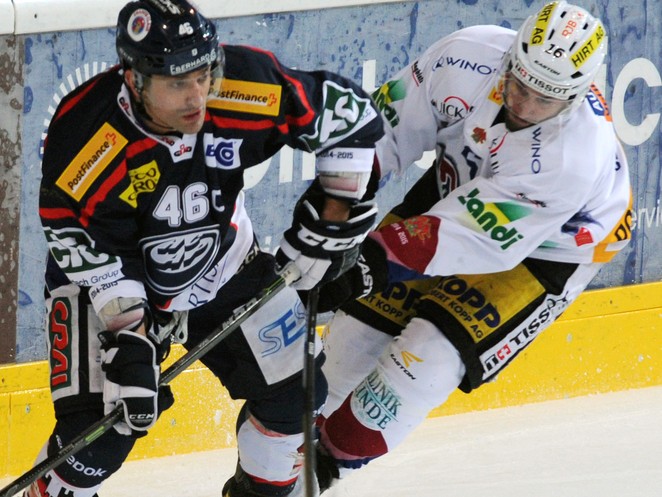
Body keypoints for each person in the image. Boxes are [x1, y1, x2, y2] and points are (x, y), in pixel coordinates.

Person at [30, 0, 383, 496]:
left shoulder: (244, 86)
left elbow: (351, 119)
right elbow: (73, 235)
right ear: (134, 80)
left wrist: (333, 217)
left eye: (204, 75)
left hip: (220, 263)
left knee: (296, 399)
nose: (198, 96)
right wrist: (129, 334)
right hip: (107, 281)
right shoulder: (88, 134)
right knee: (93, 441)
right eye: (177, 83)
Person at [309, 1, 633, 493]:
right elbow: (381, 130)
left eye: (544, 99)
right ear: (510, 57)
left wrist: (366, 265)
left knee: (426, 359)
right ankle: (281, 459)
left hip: (552, 245)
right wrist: (332, 208)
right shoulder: (466, 53)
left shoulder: (573, 157)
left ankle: (323, 468)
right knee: (348, 344)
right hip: (461, 186)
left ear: (576, 94)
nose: (523, 106)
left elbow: (473, 236)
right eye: (519, 84)